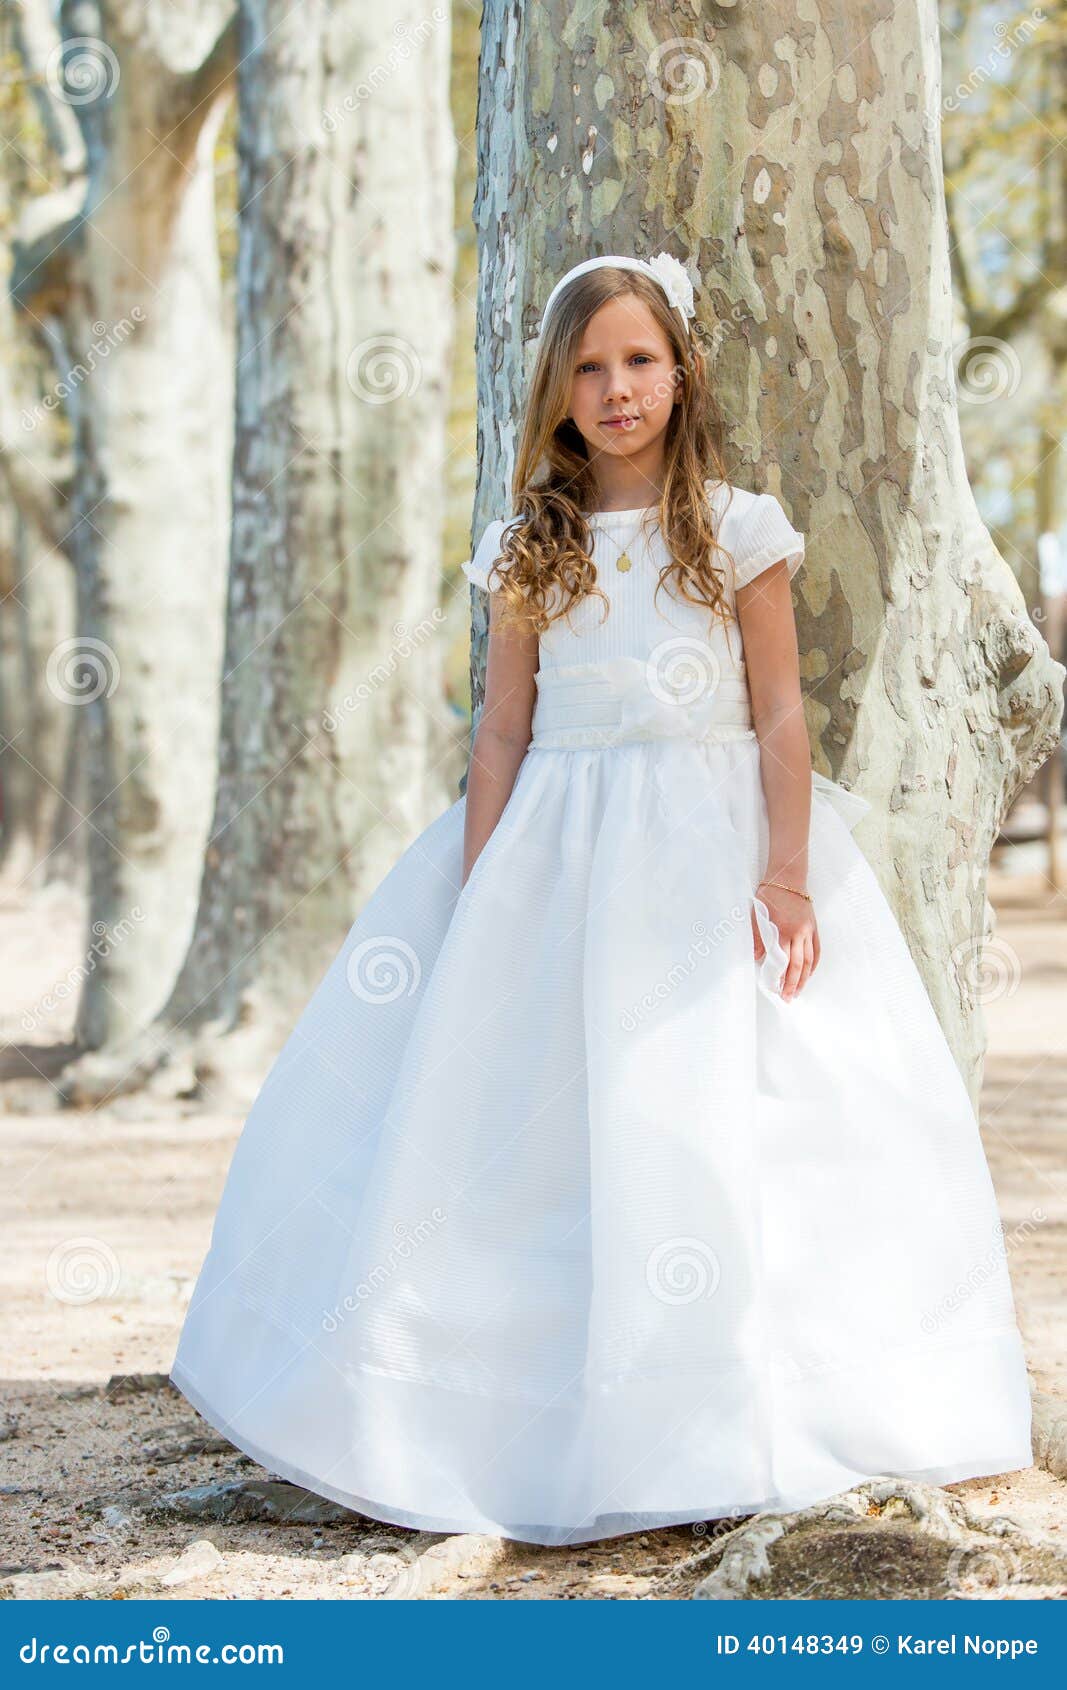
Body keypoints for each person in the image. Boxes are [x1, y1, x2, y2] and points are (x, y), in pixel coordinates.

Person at [171, 250, 1033, 1549]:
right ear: (558, 391)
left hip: (714, 849)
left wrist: (787, 869)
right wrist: (477, 891)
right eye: (589, 366)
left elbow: (783, 712)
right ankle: (517, 1416)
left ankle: (730, 1401)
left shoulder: (739, 530)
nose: (616, 387)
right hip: (559, 855)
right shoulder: (533, 543)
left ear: (681, 374)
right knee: (537, 1125)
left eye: (639, 360)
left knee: (727, 1112)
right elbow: (503, 735)